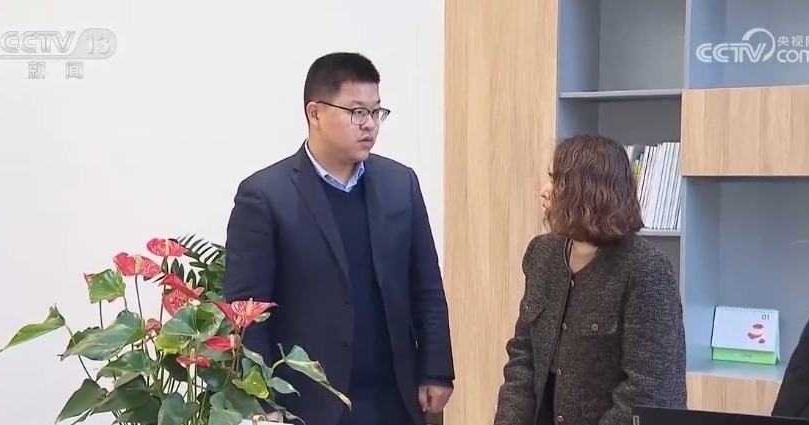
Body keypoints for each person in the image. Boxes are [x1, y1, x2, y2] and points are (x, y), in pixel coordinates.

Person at [223, 52, 454, 425]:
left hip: (395, 399)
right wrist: (261, 403)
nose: (370, 125)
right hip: (307, 405)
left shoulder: (400, 184)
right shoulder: (265, 196)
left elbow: (426, 285)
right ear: (315, 113)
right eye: (357, 112)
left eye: (376, 112)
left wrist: (436, 369)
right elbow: (247, 313)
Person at [494, 135, 687, 425]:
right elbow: (523, 357)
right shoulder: (541, 253)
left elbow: (647, 394)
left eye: (556, 181)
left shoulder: (646, 270)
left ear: (587, 193)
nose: (544, 191)